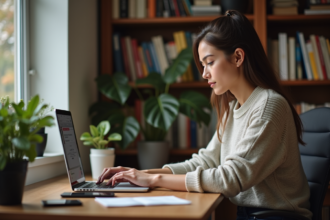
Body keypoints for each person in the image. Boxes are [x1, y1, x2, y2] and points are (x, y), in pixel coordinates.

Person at [96, 10, 312, 220]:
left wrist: (153, 179)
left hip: (278, 216)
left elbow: (231, 178)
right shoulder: (233, 107)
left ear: (237, 57)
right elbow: (206, 161)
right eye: (202, 64)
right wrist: (138, 173)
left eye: (210, 62)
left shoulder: (268, 106)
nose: (204, 73)